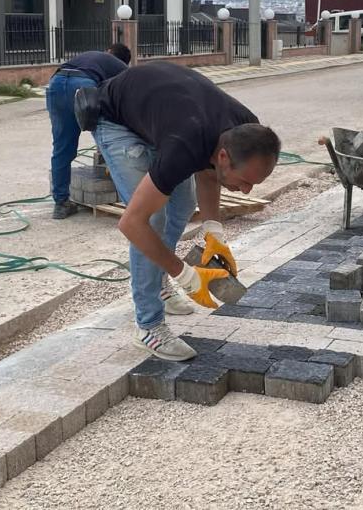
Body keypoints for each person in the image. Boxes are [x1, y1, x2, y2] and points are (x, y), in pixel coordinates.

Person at [79, 61, 280, 361]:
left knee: (184, 203)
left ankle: (156, 278)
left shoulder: (245, 129)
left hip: (162, 112)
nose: (248, 191)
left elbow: (210, 169)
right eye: (246, 182)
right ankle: (149, 326)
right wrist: (184, 273)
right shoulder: (185, 143)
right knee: (152, 217)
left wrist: (214, 230)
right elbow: (131, 223)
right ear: (225, 156)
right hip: (114, 119)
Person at [46, 45, 130, 219]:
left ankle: (61, 204)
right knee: (108, 139)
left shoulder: (93, 56)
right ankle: (129, 201)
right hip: (83, 85)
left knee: (62, 147)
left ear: (109, 51)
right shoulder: (122, 69)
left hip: (57, 82)